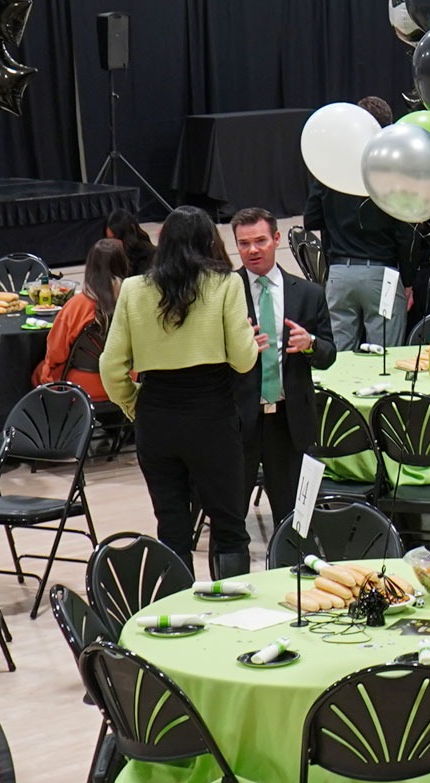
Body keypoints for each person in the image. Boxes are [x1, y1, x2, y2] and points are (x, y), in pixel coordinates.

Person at [100, 207, 259, 576]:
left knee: (171, 526)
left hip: (156, 415)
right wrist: (250, 342)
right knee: (229, 524)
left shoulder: (133, 288)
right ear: (209, 241)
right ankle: (232, 604)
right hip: (211, 415)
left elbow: (110, 366)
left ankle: (177, 605)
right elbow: (242, 361)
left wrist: (133, 403)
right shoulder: (225, 283)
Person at [229, 208, 337, 527]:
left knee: (291, 519)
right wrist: (235, 347)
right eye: (244, 243)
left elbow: (329, 354)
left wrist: (310, 343)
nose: (252, 250)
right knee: (230, 517)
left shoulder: (308, 294)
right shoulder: (225, 293)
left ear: (276, 239)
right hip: (239, 420)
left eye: (260, 241)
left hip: (288, 422)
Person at [303, 97, 422, 349]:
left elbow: (311, 219)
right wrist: (409, 281)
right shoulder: (393, 171)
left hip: (339, 274)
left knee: (338, 356)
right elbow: (405, 234)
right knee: (385, 355)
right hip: (382, 275)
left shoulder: (332, 169)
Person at [33, 238, 128, 401]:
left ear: (89, 268)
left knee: (39, 371)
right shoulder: (132, 302)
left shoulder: (76, 306)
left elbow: (55, 354)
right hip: (125, 384)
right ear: (124, 265)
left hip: (80, 388)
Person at [105, 209, 157, 276]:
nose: (110, 244)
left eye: (114, 238)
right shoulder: (110, 253)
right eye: (108, 239)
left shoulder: (146, 255)